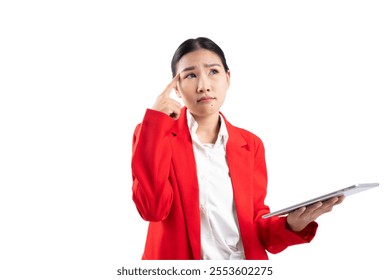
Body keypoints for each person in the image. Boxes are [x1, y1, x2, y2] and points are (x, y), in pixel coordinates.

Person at [131, 37, 344, 260]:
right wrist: (154, 122)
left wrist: (291, 225)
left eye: (213, 72)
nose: (203, 85)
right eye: (191, 75)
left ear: (228, 78)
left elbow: (255, 223)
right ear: (176, 87)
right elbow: (152, 210)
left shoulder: (250, 144)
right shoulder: (154, 134)